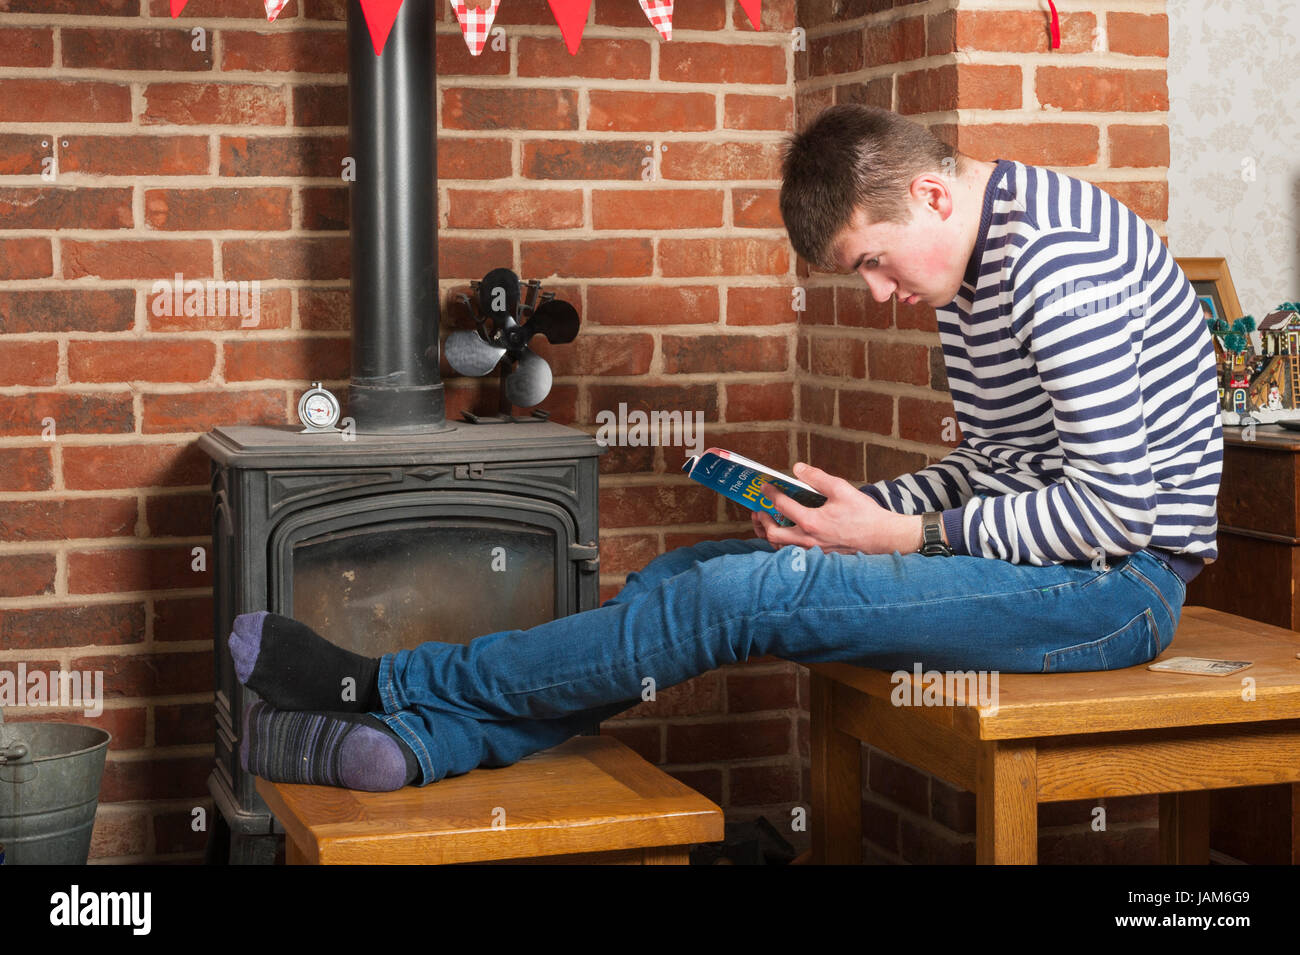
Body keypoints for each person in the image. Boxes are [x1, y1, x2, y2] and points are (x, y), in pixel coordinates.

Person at [230, 104, 1223, 792]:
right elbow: (1002, 468)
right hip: (1049, 562)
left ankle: (393, 685)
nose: (878, 294)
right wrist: (858, 509)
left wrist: (902, 534)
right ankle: (418, 746)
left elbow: (1113, 512)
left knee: (738, 597)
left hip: (1118, 589)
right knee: (705, 568)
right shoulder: (971, 271)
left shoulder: (1058, 267)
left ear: (927, 194)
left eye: (870, 263)